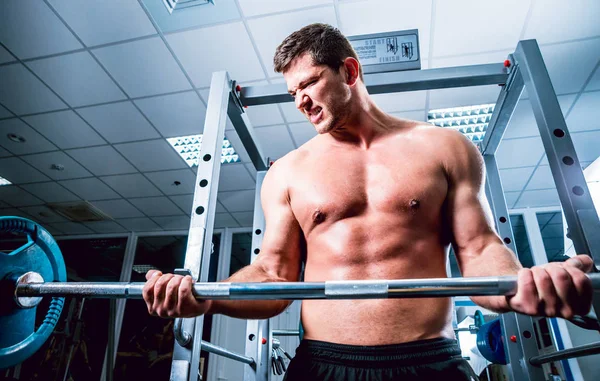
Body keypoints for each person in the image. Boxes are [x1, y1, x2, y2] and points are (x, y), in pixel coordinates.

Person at [142, 23, 594, 380]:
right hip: (322, 365)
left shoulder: (445, 147)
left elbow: (477, 250)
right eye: (291, 93)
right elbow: (272, 273)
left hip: (430, 361)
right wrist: (209, 298)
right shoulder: (288, 172)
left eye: (309, 84)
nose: (299, 101)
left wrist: (522, 284)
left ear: (350, 72)